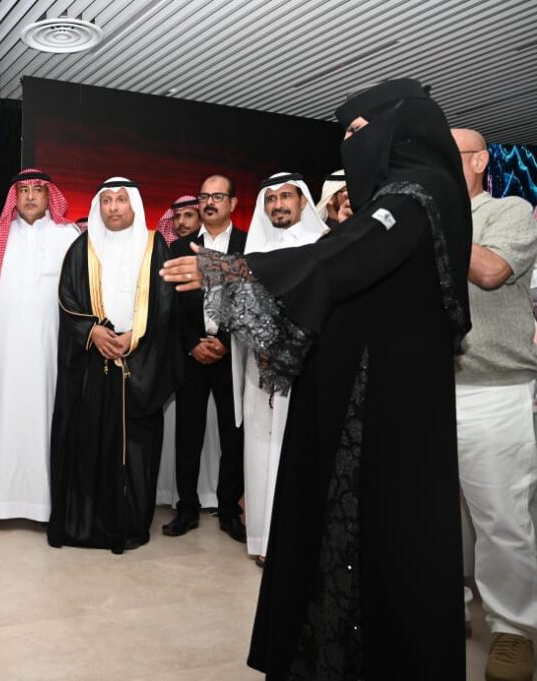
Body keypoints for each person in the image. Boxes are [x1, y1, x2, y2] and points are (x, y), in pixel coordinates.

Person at [161, 78, 471, 679]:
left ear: (399, 125)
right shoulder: (414, 192)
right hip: (366, 384)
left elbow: (344, 258)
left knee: (378, 532)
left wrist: (233, 269)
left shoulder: (417, 191)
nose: (350, 145)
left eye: (359, 131)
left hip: (381, 400)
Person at [48, 177, 181, 554]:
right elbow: (67, 299)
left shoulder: (155, 246)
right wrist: (93, 331)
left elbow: (167, 303)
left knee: (135, 449)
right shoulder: (82, 247)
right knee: (88, 441)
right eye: (106, 201)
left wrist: (134, 337)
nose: (113, 207)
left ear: (133, 205)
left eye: (121, 200)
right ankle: (85, 525)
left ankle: (129, 524)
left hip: (140, 362)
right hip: (93, 362)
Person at [451, 126, 537, 681]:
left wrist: (433, 220)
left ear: (480, 161)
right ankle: (449, 605)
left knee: (502, 518)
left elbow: (490, 271)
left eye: (449, 156)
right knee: (438, 516)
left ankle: (512, 629)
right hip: (425, 390)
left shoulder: (509, 211)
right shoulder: (417, 223)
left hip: (494, 388)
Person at [0, 169, 78, 523]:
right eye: (23, 190)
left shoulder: (69, 237)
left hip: (51, 352)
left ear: (50, 196)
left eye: (37, 190)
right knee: (2, 418)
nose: (30, 196)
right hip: (3, 355)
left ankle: (49, 504)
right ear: (13, 198)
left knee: (49, 420)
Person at [233, 172, 328, 564]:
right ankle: (265, 540)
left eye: (286, 196)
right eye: (270, 199)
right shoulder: (253, 255)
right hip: (260, 370)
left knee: (297, 452)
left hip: (306, 370)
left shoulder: (323, 247)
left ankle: (296, 544)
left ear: (303, 201)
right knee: (260, 450)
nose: (278, 205)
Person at [163, 175, 246, 541]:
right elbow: (169, 305)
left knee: (234, 435)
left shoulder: (248, 245)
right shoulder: (179, 247)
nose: (210, 202)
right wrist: (192, 343)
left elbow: (255, 300)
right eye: (204, 196)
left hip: (234, 355)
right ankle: (187, 509)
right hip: (192, 353)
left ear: (233, 203)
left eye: (218, 196)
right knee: (188, 434)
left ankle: (229, 510)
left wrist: (226, 342)